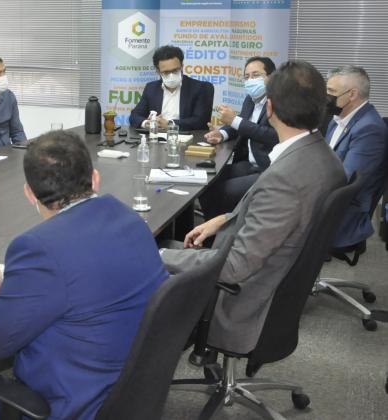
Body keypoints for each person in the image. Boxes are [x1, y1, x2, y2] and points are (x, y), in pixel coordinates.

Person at [0, 131, 168, 420]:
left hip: (73, 404)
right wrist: (12, 284)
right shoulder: (129, 218)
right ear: (95, 178)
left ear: (29, 193)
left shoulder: (38, 246)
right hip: (129, 392)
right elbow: (81, 283)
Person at [160, 60, 346, 354]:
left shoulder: (286, 179)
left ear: (269, 108)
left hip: (241, 303)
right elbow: (281, 217)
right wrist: (223, 218)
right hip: (271, 278)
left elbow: (233, 268)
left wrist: (157, 254)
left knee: (137, 271)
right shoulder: (321, 156)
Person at [198, 57, 279, 218]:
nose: (250, 81)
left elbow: (272, 136)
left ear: (271, 77)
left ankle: (220, 234)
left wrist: (234, 120)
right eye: (247, 77)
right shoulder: (251, 99)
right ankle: (213, 231)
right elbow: (241, 122)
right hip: (248, 163)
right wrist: (221, 134)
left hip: (268, 169)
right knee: (205, 183)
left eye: (256, 75)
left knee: (220, 193)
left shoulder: (278, 102)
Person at [325, 66, 388, 251]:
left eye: (331, 92)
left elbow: (345, 181)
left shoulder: (369, 129)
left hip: (343, 213)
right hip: (328, 199)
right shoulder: (339, 118)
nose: (326, 96)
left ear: (352, 94)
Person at [129, 45, 214, 130]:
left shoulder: (200, 88)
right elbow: (134, 116)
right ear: (158, 71)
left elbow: (201, 121)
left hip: (187, 139)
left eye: (175, 70)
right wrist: (147, 123)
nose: (171, 75)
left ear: (182, 66)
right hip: (155, 139)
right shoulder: (151, 88)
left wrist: (170, 124)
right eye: (166, 72)